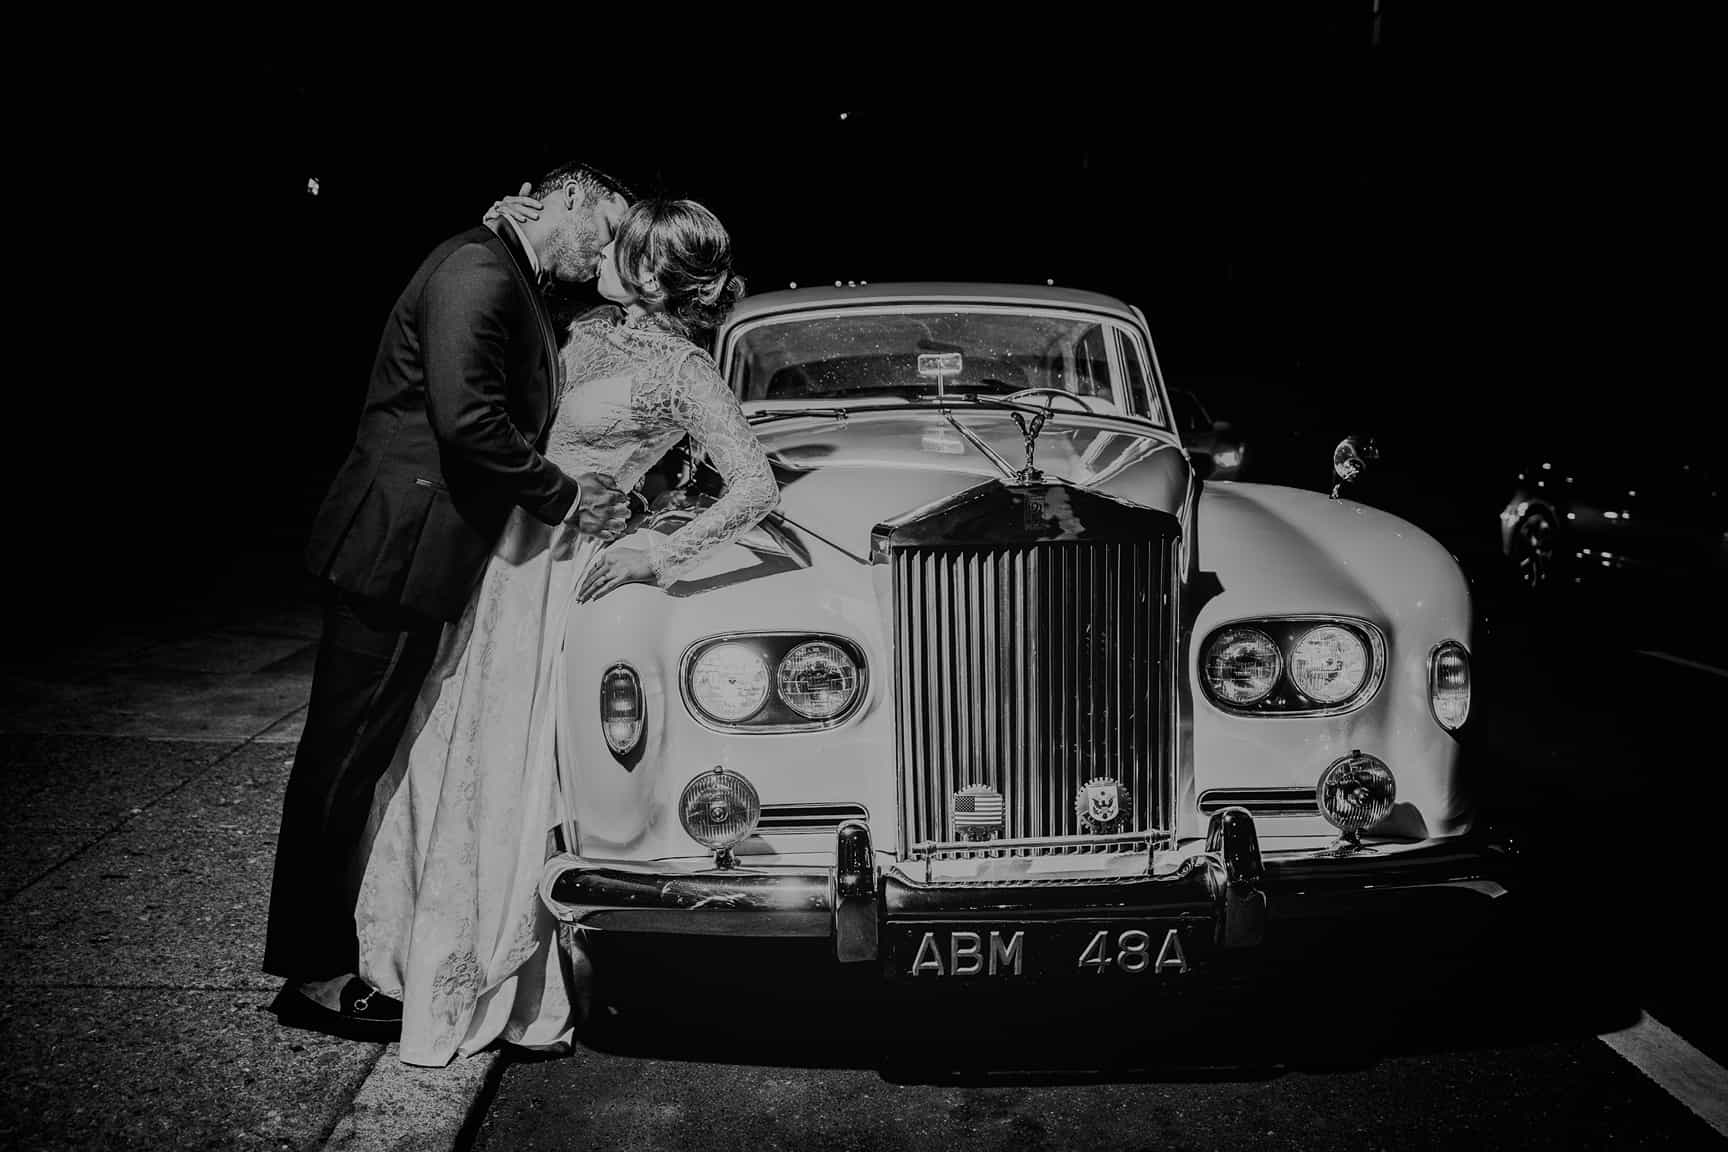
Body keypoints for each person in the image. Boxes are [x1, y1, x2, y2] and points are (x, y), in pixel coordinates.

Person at [352, 196, 779, 1066]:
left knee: (511, 761)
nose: (605, 251)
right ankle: (407, 951)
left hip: (560, 570)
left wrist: (660, 549)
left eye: (624, 245)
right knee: (442, 747)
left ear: (656, 273)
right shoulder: (578, 324)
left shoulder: (685, 373)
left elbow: (756, 487)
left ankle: (500, 976)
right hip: (496, 555)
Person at [264, 162, 636, 1042]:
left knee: (362, 758)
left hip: (420, 548)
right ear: (570, 196)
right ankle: (313, 975)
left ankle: (343, 946)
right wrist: (571, 495)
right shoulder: (477, 269)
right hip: (399, 547)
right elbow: (468, 422)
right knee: (342, 763)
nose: (607, 248)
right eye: (607, 224)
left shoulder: (505, 266)